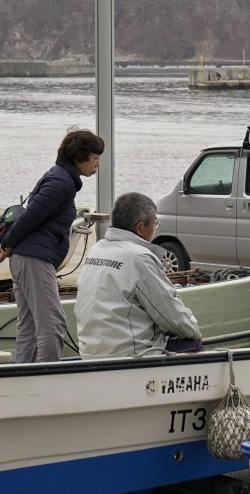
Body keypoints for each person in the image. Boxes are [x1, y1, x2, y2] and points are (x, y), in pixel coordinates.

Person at [0, 129, 104, 362]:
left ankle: (24, 377)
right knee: (53, 324)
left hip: (26, 257)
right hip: (34, 259)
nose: (98, 164)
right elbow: (30, 217)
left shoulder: (58, 177)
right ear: (80, 157)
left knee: (28, 326)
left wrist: (10, 247)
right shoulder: (61, 183)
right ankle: (47, 378)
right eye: (95, 158)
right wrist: (6, 246)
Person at [74, 192, 203, 359]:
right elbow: (170, 314)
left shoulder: (97, 249)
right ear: (140, 228)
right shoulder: (139, 257)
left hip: (88, 352)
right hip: (127, 354)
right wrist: (195, 331)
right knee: (193, 345)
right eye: (155, 224)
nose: (156, 229)